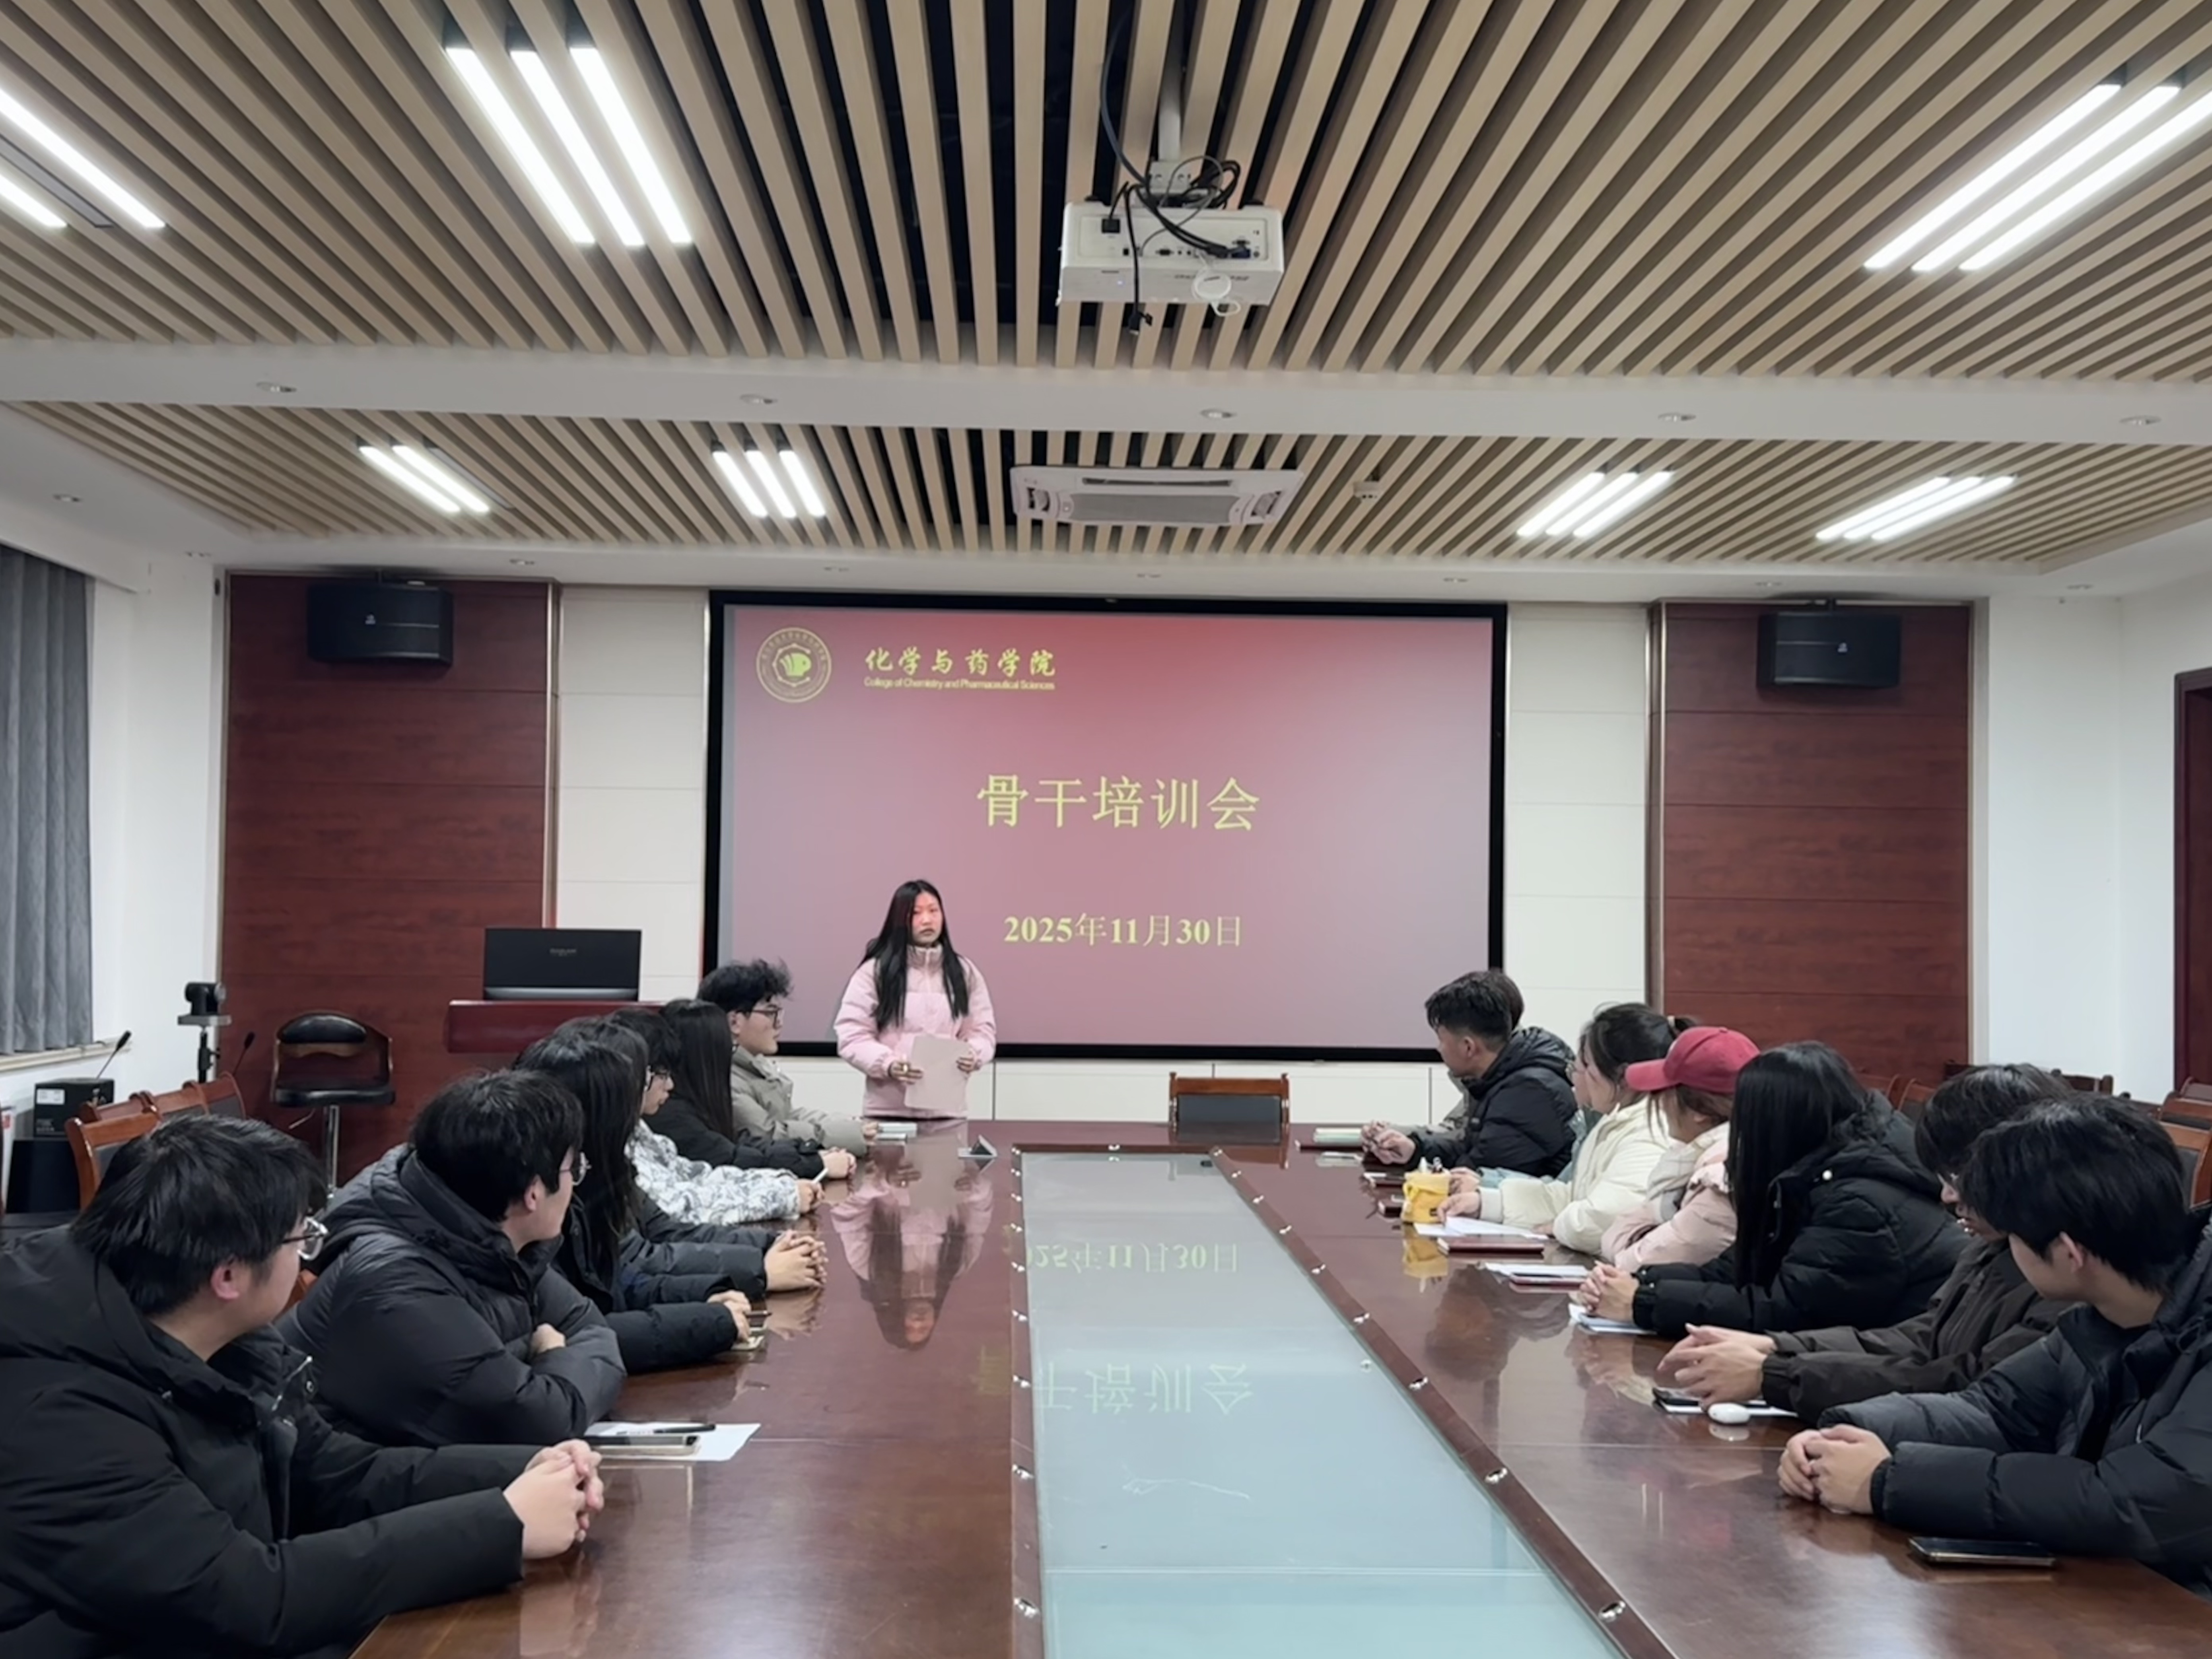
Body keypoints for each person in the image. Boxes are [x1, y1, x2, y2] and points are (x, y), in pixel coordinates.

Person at [0, 1115, 605, 1658]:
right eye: (302, 1237)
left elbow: (335, 1472)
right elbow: (249, 1597)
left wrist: (528, 1470)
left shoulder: (213, 1335)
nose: (309, 1258)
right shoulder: (59, 1415)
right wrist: (502, 1526)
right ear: (229, 1275)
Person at [1783, 1097, 2212, 1599]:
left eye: (2011, 1236)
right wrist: (1847, 1434)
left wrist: (1887, 1481)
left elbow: (2127, 1501)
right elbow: (1994, 1409)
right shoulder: (2105, 1315)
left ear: (2069, 1252)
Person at [1661, 1065, 2071, 1418]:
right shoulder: (1994, 1242)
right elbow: (1922, 1338)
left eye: (1961, 1177)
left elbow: (1973, 1382)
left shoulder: (2066, 1271)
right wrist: (1775, 1346)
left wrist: (1776, 1374)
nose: (1948, 1196)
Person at [280, 1070, 627, 1449]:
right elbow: (540, 1421)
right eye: (574, 1169)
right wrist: (551, 1354)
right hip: (340, 1481)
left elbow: (589, 1326)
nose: (576, 1184)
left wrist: (542, 1371)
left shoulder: (485, 1228)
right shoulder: (393, 1282)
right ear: (533, 1193)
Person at [1577, 1041, 1963, 1338]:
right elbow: (1741, 1268)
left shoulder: (1861, 1201)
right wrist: (1643, 1283)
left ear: (1776, 1124)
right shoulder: (1815, 1169)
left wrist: (1644, 1302)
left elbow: (1785, 1311)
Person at [512, 1023, 762, 1373]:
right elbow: (581, 1332)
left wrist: (707, 1295)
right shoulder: (549, 1199)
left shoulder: (582, 1185)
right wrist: (753, 1273)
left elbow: (616, 1284)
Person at [1442, 1003, 1678, 1252]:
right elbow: (1570, 1197)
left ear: (1622, 1077)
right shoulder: (1613, 1123)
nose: (1576, 1079)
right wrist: (1488, 1204)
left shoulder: (1651, 1131)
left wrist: (1559, 1226)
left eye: (1584, 1067)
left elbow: (1604, 1218)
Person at [605, 1004, 822, 1223]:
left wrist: (781, 1184)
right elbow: (681, 1206)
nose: (670, 1084)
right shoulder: (660, 1120)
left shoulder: (638, 1129)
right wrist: (787, 1193)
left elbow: (696, 1175)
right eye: (661, 1074)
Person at [1361, 971, 1577, 1177]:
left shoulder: (1529, 1092)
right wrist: (1415, 1150)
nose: (1439, 1049)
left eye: (1442, 1040)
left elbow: (1479, 1174)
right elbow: (1470, 1147)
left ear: (1468, 1047)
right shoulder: (1500, 1077)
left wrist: (1426, 1169)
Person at [835, 879, 997, 1121]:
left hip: (947, 1113)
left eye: (934, 911)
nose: (927, 920)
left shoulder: (964, 972)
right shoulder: (875, 972)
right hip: (888, 1113)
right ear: (900, 920)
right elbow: (852, 1035)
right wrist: (889, 1064)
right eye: (916, 913)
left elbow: (982, 1031)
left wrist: (974, 1054)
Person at [1598, 1025, 1756, 1271]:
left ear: (1699, 1111)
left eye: (1665, 1091)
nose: (1660, 1103)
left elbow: (1635, 1262)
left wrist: (1644, 1234)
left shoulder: (1721, 1181)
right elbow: (1615, 1240)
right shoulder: (1701, 1158)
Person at [652, 997, 859, 1181]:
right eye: (727, 1049)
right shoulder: (671, 1114)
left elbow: (743, 1142)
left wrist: (808, 1153)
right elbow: (733, 1158)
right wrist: (815, 1164)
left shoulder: (696, 1100)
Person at [827, 1122, 994, 1348]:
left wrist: (885, 1181)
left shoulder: (868, 1267)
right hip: (949, 1136)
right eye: (924, 1329)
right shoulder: (958, 1266)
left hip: (891, 1138)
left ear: (893, 1317)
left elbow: (844, 1206)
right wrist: (972, 1187)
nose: (919, 1322)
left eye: (909, 1327)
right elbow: (982, 1208)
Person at [699, 960, 873, 1155]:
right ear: (734, 1022)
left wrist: (848, 1124)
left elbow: (788, 1116)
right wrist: (847, 1135)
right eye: (771, 1013)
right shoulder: (723, 1078)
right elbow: (768, 1134)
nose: (779, 1024)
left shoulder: (754, 1065)